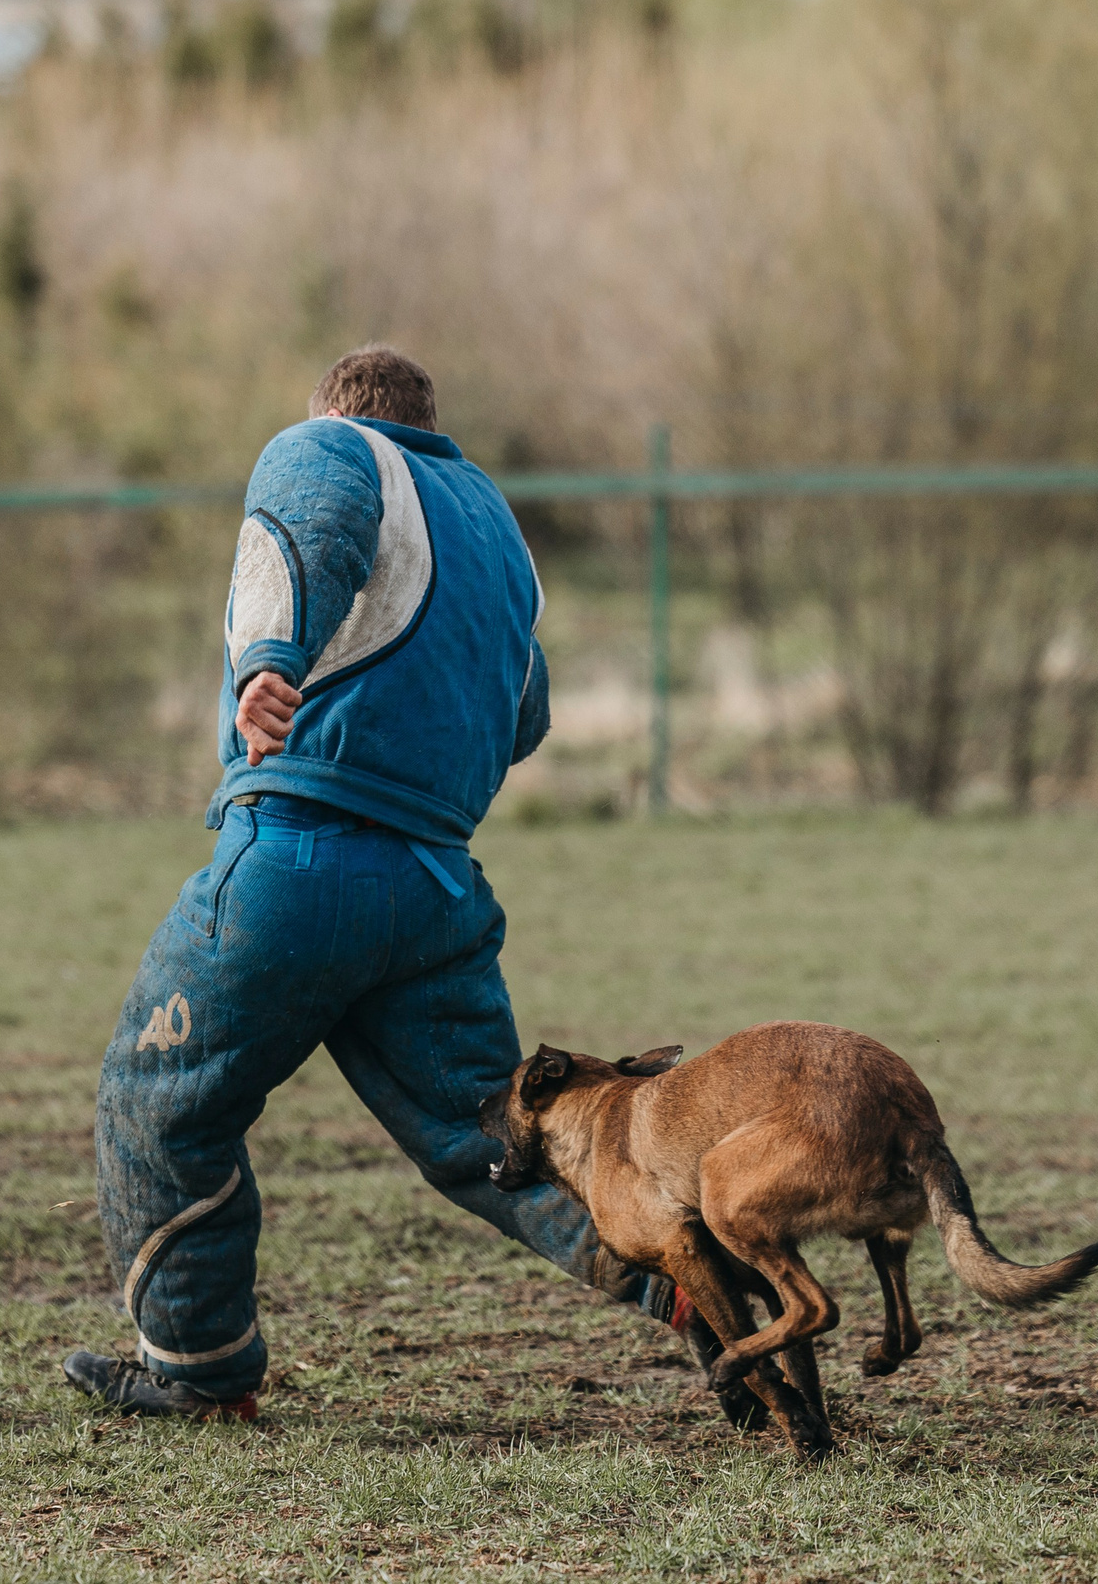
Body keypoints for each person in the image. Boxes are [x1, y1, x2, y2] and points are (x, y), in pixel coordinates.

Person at [61, 345, 699, 1419]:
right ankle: (697, 1284)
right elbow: (525, 708)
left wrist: (272, 655)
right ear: (429, 422)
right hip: (434, 890)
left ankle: (198, 1368)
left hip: (298, 862)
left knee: (156, 1104)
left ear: (338, 411)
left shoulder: (329, 446)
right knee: (497, 1139)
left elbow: (305, 517)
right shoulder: (492, 523)